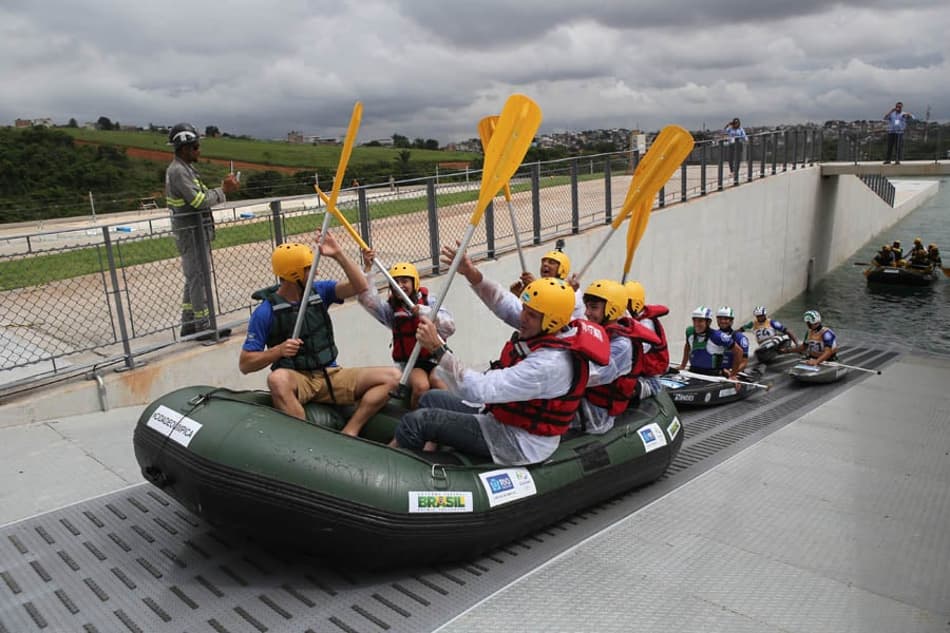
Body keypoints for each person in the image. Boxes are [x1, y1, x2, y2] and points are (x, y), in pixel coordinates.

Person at [391, 278, 610, 465]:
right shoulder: (554, 327)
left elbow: (477, 389)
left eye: (531, 315)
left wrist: (438, 349)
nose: (522, 317)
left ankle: (400, 472)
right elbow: (505, 304)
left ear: (552, 321)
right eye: (525, 309)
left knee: (417, 422)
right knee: (429, 398)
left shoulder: (550, 364)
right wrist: (472, 274)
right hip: (499, 414)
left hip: (516, 440)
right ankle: (431, 452)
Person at [239, 233, 401, 437]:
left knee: (393, 377)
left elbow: (360, 286)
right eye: (309, 268)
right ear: (294, 275)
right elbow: (245, 364)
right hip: (299, 378)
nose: (315, 272)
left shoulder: (320, 290)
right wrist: (278, 351)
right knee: (277, 379)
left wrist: (338, 254)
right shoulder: (265, 312)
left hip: (330, 373)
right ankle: (308, 438)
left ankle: (352, 428)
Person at [165, 122, 240, 339]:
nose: (199, 151)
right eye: (196, 147)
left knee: (194, 278)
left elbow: (202, 196)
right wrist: (223, 190)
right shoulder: (179, 171)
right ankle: (203, 326)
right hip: (191, 233)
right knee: (198, 278)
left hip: (194, 232)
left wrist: (220, 190)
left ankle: (189, 324)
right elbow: (199, 201)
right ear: (184, 148)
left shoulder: (186, 169)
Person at [357, 254, 455, 409]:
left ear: (414, 282)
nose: (400, 285)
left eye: (404, 281)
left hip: (435, 359)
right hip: (410, 364)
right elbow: (366, 300)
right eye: (395, 282)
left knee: (439, 382)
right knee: (421, 386)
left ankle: (452, 415)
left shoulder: (430, 301)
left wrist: (424, 312)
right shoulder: (391, 310)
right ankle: (416, 418)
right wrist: (368, 269)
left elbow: (449, 327)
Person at [575, 280, 661, 435]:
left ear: (612, 309)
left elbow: (592, 376)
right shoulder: (598, 331)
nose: (587, 312)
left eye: (593, 307)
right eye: (587, 307)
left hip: (597, 413)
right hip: (587, 397)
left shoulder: (622, 345)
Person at [442, 241, 585, 326]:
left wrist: (533, 289)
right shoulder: (534, 316)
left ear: (562, 269)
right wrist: (470, 272)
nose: (545, 265)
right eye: (544, 261)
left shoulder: (573, 292)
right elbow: (501, 299)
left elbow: (553, 306)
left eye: (552, 262)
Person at [624, 280, 670, 394]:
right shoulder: (635, 319)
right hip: (640, 371)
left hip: (649, 376)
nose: (624, 306)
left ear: (636, 303)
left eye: (627, 303)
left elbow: (639, 349)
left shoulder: (646, 323)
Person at [677, 305, 744, 380]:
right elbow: (687, 346)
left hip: (712, 376)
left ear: (708, 322)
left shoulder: (718, 336)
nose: (696, 324)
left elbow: (739, 352)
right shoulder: (689, 332)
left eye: (700, 321)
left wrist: (733, 374)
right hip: (693, 372)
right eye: (694, 320)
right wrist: (683, 365)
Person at [715, 306, 749, 376]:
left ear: (731, 321)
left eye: (726, 319)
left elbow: (744, 362)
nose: (722, 321)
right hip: (716, 373)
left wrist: (732, 372)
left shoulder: (740, 338)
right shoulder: (713, 335)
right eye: (720, 318)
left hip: (732, 374)